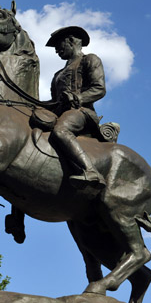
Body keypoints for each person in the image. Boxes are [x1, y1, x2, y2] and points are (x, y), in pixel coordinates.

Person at [46, 26, 106, 190]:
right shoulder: (57, 74)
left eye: (59, 44)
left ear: (71, 41)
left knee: (61, 131)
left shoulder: (90, 60)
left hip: (82, 112)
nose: (57, 50)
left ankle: (91, 171)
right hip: (60, 113)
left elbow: (99, 89)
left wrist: (78, 97)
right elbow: (53, 101)